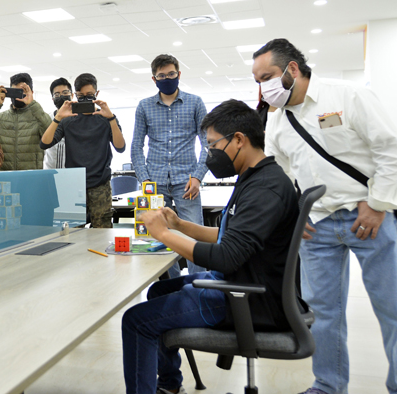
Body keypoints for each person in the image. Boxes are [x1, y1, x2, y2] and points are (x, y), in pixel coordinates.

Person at [122, 99, 299, 394]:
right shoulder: (256, 177)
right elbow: (228, 235)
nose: (209, 155)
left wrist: (163, 234)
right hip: (243, 283)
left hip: (243, 297)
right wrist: (180, 226)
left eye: (213, 145)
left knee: (135, 320)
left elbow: (226, 257)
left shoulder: (265, 187)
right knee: (158, 291)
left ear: (239, 140)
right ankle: (169, 384)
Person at [252, 38, 397, 394]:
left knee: (392, 307)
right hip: (315, 228)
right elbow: (280, 178)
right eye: (257, 80)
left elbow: (388, 148)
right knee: (323, 315)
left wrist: (378, 204)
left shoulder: (347, 96)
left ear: (293, 69)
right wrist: (292, 221)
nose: (262, 87)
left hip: (369, 219)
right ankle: (329, 385)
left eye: (266, 76)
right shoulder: (277, 121)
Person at [131, 54, 209, 275]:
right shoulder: (144, 106)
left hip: (187, 183)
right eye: (162, 76)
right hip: (153, 183)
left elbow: (208, 144)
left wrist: (198, 176)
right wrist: (144, 179)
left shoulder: (195, 103)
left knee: (194, 236)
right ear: (154, 79)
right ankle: (172, 285)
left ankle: (198, 286)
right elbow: (136, 146)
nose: (167, 78)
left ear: (179, 75)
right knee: (158, 238)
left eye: (171, 74)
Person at [40, 73, 125, 228]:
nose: (85, 99)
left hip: (100, 183)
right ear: (75, 95)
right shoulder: (68, 119)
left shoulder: (105, 118)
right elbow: (44, 143)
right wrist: (58, 117)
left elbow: (120, 147)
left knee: (102, 232)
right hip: (74, 185)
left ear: (97, 94)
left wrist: (111, 118)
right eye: (80, 96)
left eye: (89, 95)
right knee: (73, 234)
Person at [0, 73, 51, 170]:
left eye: (22, 92)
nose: (18, 96)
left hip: (31, 176)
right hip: (3, 178)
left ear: (31, 93)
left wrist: (33, 104)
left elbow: (50, 135)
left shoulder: (38, 117)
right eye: (15, 92)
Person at [43, 77, 70, 170]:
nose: (61, 96)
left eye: (65, 93)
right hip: (49, 171)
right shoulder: (46, 118)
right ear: (52, 99)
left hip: (73, 172)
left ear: (72, 95)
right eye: (57, 94)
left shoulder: (78, 118)